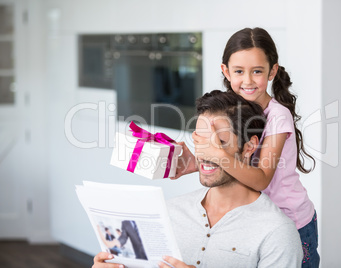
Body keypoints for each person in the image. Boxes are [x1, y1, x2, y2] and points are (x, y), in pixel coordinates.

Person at [93, 90, 303, 268]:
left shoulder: (277, 232)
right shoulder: (168, 214)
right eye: (200, 140)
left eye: (219, 142)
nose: (205, 153)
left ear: (249, 147)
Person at [174, 27, 319, 267]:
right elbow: (233, 158)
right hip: (253, 215)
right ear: (226, 71)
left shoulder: (278, 116)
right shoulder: (233, 111)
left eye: (257, 71)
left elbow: (261, 179)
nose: (248, 81)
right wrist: (195, 161)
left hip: (290, 220)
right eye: (239, 71)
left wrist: (217, 155)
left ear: (272, 71)